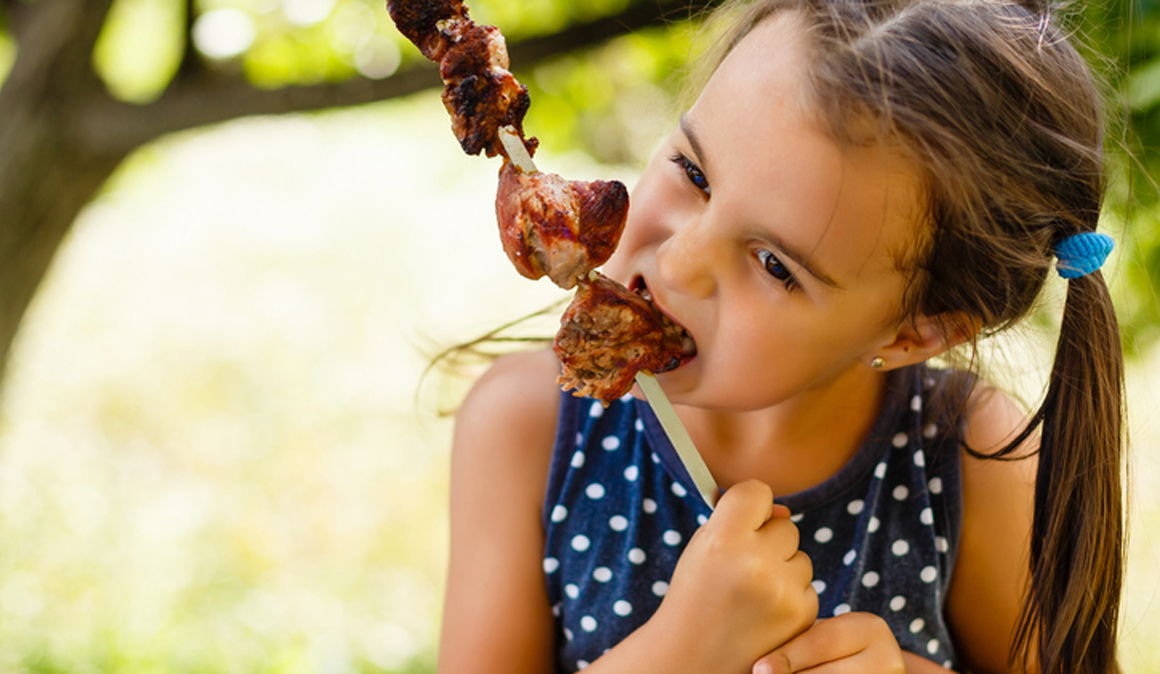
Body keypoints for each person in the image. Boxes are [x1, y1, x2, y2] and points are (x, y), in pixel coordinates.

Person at [436, 0, 1125, 672]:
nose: (678, 263)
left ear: (916, 333)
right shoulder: (528, 428)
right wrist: (677, 656)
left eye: (774, 264)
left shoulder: (969, 460)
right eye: (695, 174)